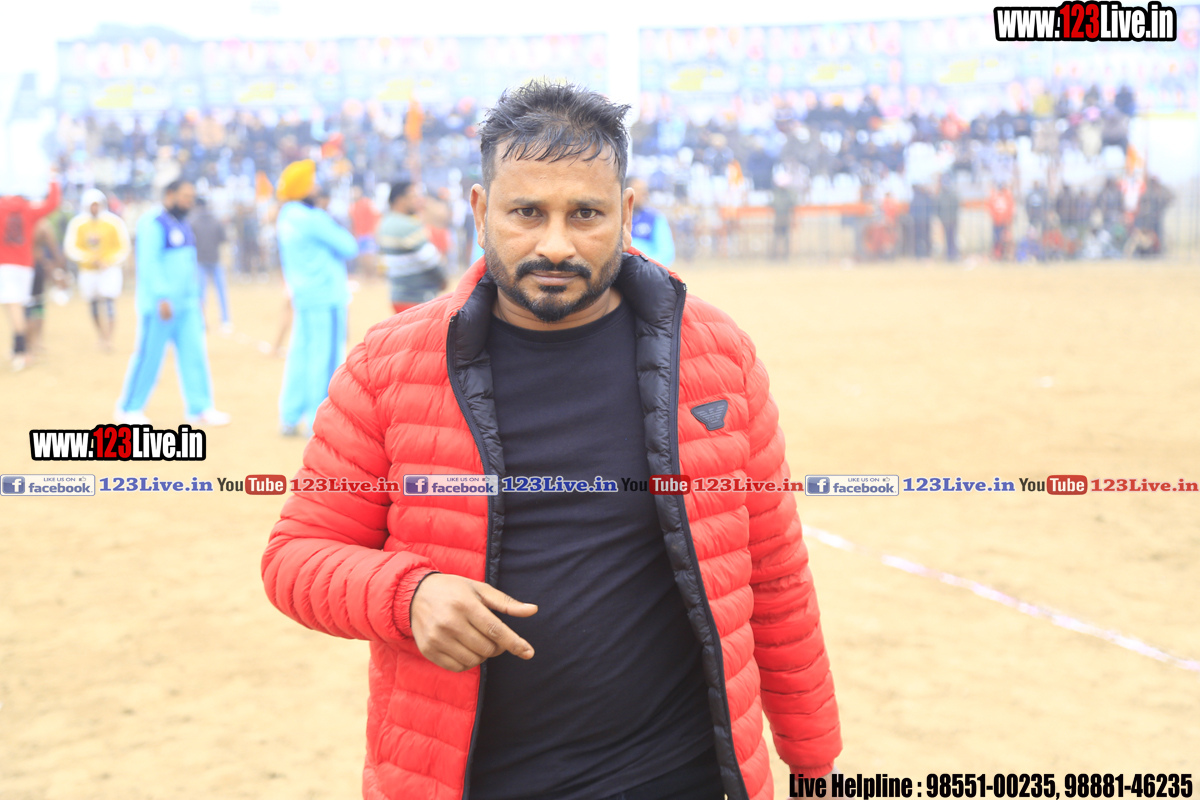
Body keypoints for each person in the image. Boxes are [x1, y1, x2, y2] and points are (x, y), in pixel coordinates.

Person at [262, 81, 840, 800]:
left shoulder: (717, 357)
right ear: (481, 212)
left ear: (626, 212)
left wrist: (815, 765)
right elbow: (296, 556)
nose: (556, 245)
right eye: (527, 213)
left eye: (586, 214)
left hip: (678, 776)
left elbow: (776, 573)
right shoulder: (388, 367)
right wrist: (408, 595)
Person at [114, 179, 230, 426]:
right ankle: (129, 409)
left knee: (194, 355)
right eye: (185, 196)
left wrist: (197, 299)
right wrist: (162, 296)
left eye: (191, 197)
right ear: (170, 194)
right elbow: (149, 262)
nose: (189, 201)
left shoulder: (184, 224)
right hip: (161, 306)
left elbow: (188, 264)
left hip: (187, 306)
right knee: (149, 356)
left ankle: (200, 408)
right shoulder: (153, 222)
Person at [274, 159, 357, 437]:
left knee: (300, 357)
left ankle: (289, 417)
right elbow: (348, 246)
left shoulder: (286, 216)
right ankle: (317, 422)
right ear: (302, 188)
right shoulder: (313, 218)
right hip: (326, 297)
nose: (317, 187)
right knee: (325, 359)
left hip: (305, 296)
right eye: (312, 183)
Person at [0, 179, 60, 370]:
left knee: (13, 307)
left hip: (5, 265)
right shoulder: (28, 209)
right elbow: (52, 204)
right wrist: (53, 180)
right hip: (26, 266)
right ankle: (19, 348)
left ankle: (21, 351)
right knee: (20, 307)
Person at [63, 188, 131, 351]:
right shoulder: (78, 224)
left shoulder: (113, 222)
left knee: (109, 303)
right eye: (91, 205)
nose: (94, 208)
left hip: (108, 270)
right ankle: (101, 335)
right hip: (88, 271)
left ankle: (109, 338)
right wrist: (89, 258)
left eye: (97, 205)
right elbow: (71, 248)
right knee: (93, 304)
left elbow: (123, 247)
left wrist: (109, 261)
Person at [377, 179, 446, 314]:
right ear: (400, 200)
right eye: (413, 196)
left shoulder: (386, 222)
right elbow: (430, 260)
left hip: (398, 296)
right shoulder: (407, 226)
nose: (418, 200)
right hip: (417, 297)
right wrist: (443, 279)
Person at [189, 197, 231, 332]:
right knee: (221, 292)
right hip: (215, 259)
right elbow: (223, 239)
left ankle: (201, 321)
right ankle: (226, 321)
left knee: (200, 293)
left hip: (200, 261)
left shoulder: (192, 222)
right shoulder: (216, 220)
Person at [628, 176, 676, 266]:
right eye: (639, 190)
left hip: (647, 270)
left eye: (645, 190)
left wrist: (644, 266)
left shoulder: (655, 218)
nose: (644, 194)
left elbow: (666, 253)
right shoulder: (615, 219)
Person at [988, 183, 1015, 260]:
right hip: (997, 223)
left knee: (1006, 240)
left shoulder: (1007, 197)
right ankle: (997, 255)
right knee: (996, 240)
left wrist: (1008, 220)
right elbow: (990, 208)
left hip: (1005, 223)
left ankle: (1006, 255)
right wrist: (995, 218)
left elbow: (1010, 209)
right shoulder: (994, 197)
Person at [936, 175, 960, 261]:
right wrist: (942, 217)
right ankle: (949, 255)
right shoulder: (942, 195)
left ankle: (953, 255)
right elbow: (938, 208)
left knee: (952, 237)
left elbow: (956, 206)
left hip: (951, 220)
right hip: (947, 220)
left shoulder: (951, 194)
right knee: (948, 238)